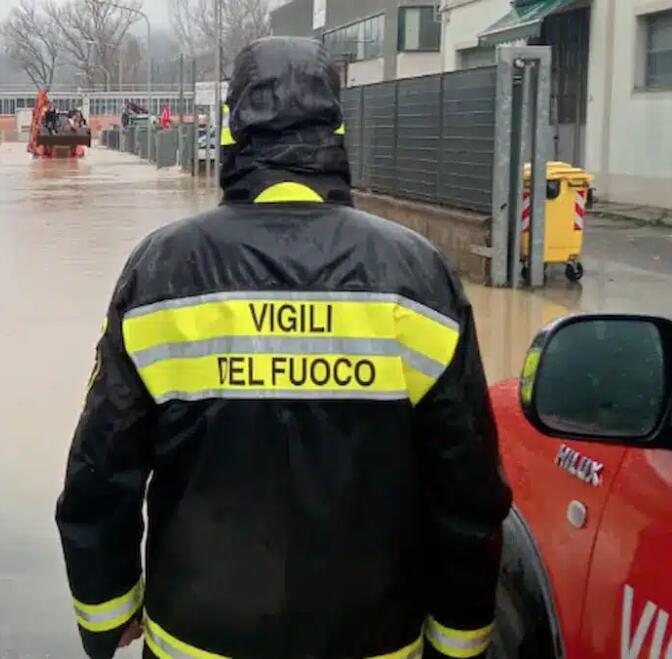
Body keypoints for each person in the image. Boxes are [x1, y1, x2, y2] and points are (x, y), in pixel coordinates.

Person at [55, 37, 512, 659]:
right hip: (374, 639)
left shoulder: (164, 268)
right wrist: (460, 641)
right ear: (338, 133)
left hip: (197, 638)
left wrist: (107, 614)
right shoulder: (417, 275)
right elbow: (466, 485)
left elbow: (100, 470)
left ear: (230, 133)